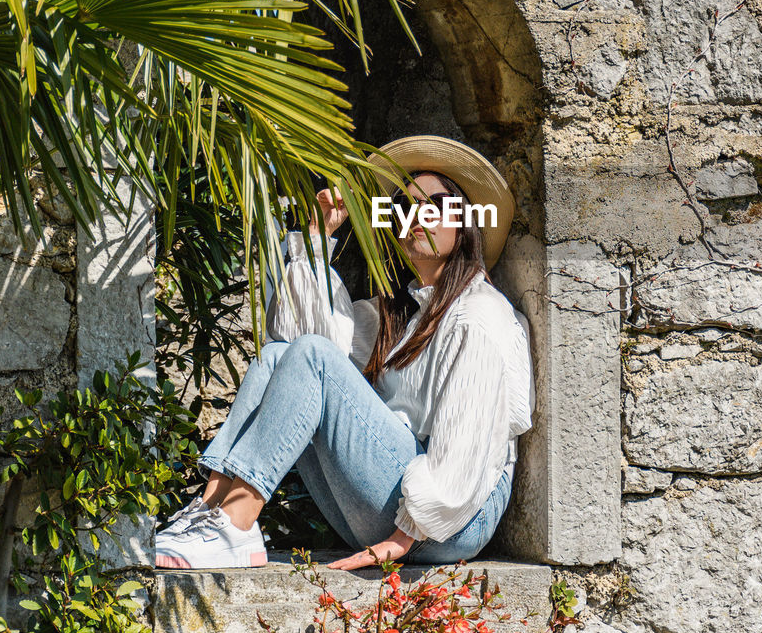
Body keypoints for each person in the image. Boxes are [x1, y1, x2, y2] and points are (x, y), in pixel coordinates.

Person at [153, 136, 535, 571]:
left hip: (453, 521)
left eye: (436, 204)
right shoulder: (399, 316)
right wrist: (317, 236)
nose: (418, 216)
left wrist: (402, 537)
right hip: (388, 503)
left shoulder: (479, 313)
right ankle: (213, 513)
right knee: (280, 355)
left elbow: (468, 446)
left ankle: (235, 526)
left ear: (466, 219)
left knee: (311, 357)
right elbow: (296, 338)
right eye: (404, 208)